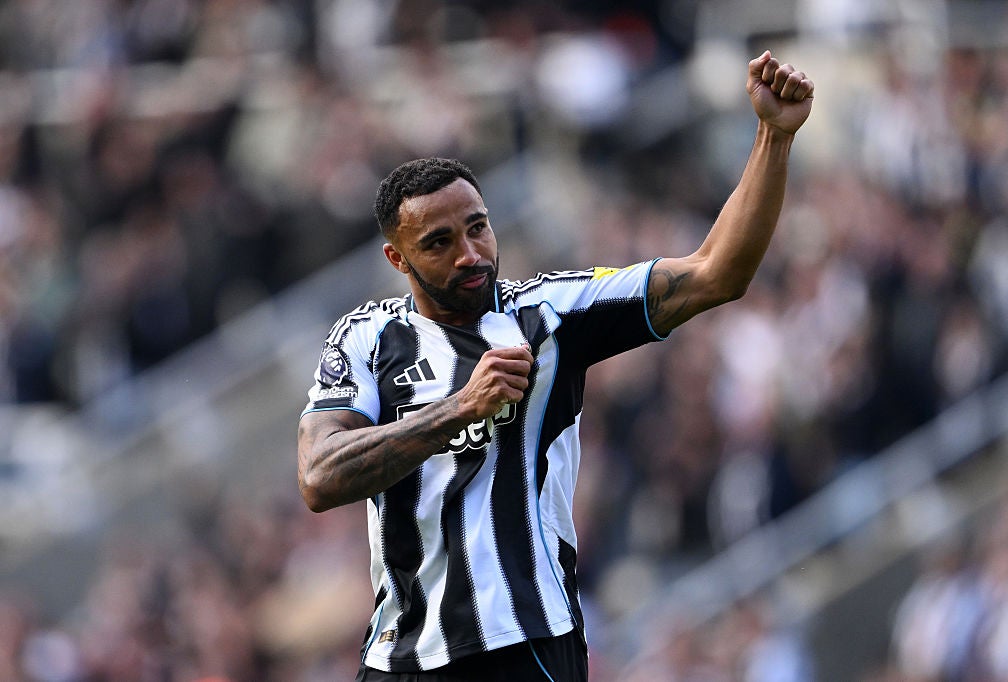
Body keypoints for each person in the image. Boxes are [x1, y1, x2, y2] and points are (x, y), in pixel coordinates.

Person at [297, 50, 814, 681]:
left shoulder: (552, 313)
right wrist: (460, 407)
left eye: (478, 228)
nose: (470, 253)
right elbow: (320, 477)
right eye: (439, 242)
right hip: (402, 658)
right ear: (397, 259)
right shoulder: (365, 338)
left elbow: (716, 273)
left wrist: (774, 137)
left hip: (527, 644)